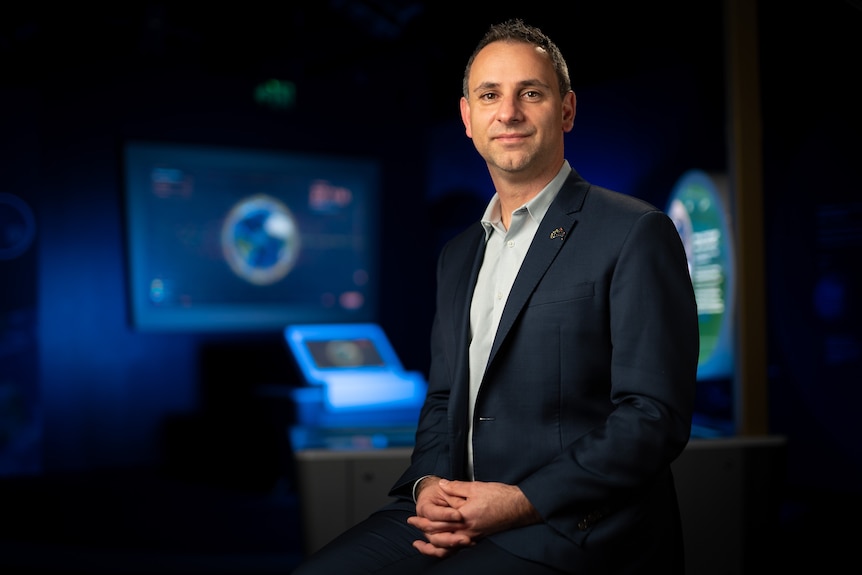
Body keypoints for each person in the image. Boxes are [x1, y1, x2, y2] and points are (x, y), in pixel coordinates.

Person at [292, 18, 699, 575]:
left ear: (567, 110)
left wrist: (517, 502)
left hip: (567, 527)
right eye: (490, 95)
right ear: (468, 117)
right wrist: (428, 484)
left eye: (530, 93)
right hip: (460, 511)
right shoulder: (458, 254)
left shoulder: (635, 231)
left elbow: (653, 417)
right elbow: (442, 400)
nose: (508, 113)